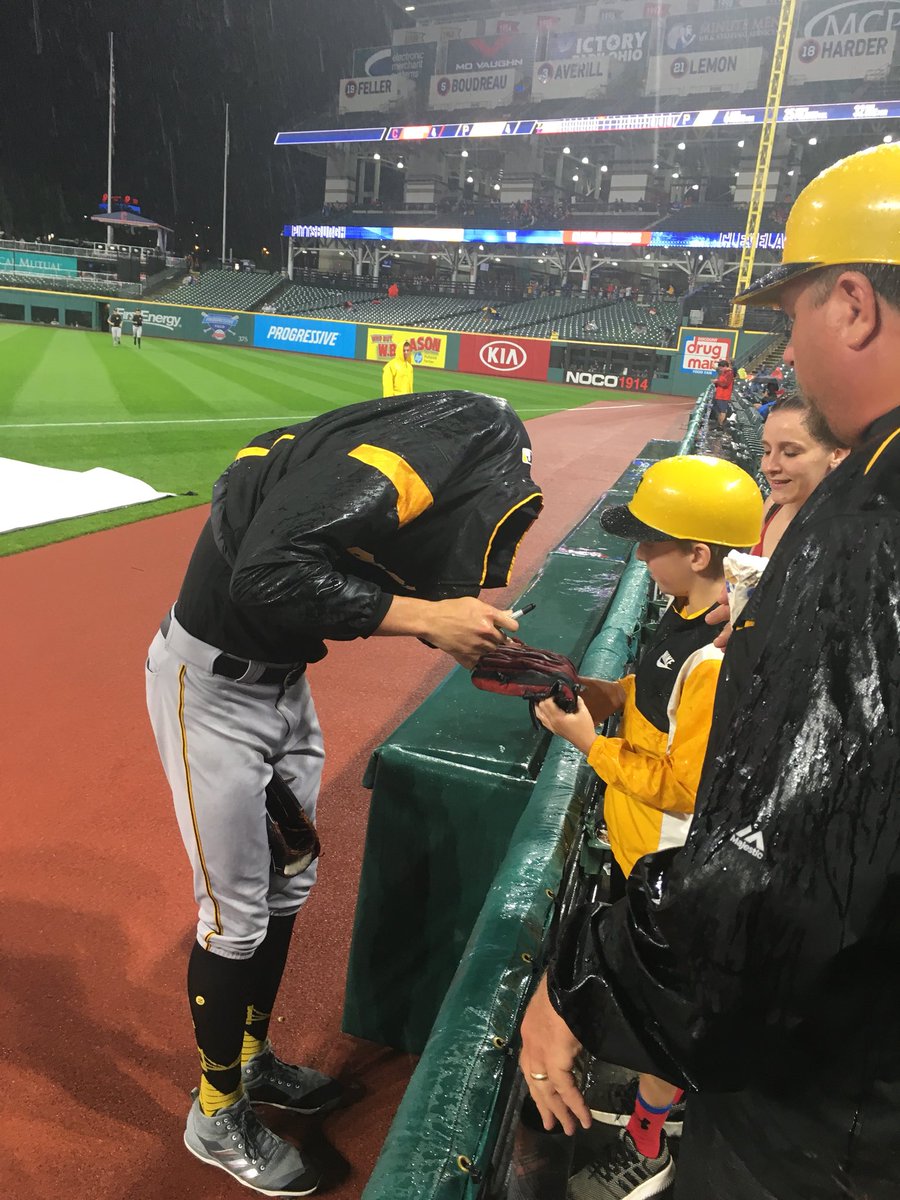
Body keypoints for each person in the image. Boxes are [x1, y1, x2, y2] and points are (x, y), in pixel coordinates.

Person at [518, 142, 900, 1199]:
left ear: (856, 305)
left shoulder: (869, 521)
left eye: (797, 310)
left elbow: (785, 878)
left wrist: (575, 987)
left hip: (840, 1113)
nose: (789, 339)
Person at [146, 391, 544, 1197]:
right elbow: (267, 577)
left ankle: (251, 1062)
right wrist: (424, 615)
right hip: (211, 696)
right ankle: (214, 1113)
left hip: (282, 687)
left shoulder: (356, 453)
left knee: (290, 883)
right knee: (234, 917)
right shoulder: (382, 462)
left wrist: (437, 618)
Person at [533, 456, 762, 1200]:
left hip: (670, 861)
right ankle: (657, 1110)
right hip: (642, 847)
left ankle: (650, 1145)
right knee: (655, 1008)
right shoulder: (691, 614)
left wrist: (585, 743)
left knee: (662, 1015)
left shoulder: (716, 659)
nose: (638, 555)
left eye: (650, 543)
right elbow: (650, 697)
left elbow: (684, 788)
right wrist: (599, 695)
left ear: (696, 554)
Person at [753, 396, 849, 557]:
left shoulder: (849, 537)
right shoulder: (772, 505)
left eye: (791, 453)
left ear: (836, 454)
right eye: (767, 451)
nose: (770, 466)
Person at [712, 359, 734, 426]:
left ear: (725, 366)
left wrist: (717, 381)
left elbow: (725, 384)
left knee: (722, 411)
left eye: (721, 368)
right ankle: (718, 424)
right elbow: (714, 367)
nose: (720, 369)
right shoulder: (724, 372)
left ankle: (720, 425)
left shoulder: (729, 373)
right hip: (720, 394)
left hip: (724, 395)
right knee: (717, 410)